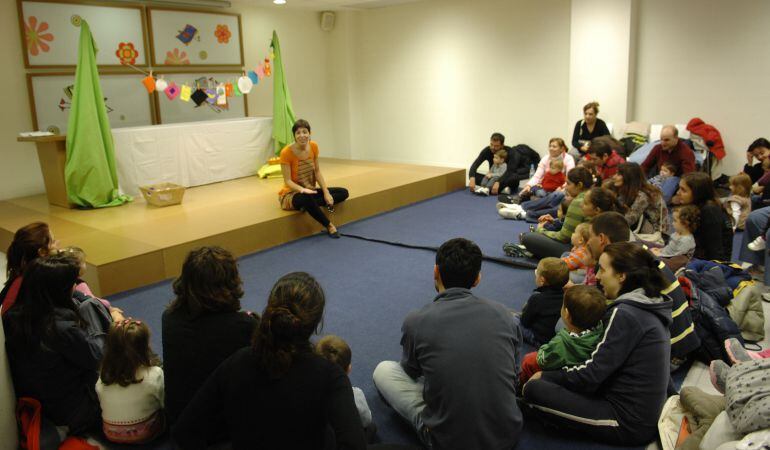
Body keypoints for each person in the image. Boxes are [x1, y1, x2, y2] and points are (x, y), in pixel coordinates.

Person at [172, 272, 367, 449]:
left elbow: (184, 431)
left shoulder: (236, 362)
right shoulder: (330, 375)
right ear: (316, 324)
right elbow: (355, 445)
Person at [373, 238, 523, 449]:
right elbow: (514, 378)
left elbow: (411, 371)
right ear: (477, 279)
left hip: (448, 441)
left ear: (436, 272)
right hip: (509, 434)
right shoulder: (505, 315)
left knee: (384, 370)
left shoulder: (416, 320)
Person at [522, 242, 672, 446]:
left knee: (534, 390)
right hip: (641, 410)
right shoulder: (648, 301)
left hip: (627, 422)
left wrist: (547, 376)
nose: (598, 276)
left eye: (602, 269)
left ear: (622, 276)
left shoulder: (627, 314)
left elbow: (591, 375)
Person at [3, 254, 107, 436]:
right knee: (91, 307)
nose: (75, 286)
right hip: (73, 412)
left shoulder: (14, 317)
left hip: (41, 407)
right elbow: (97, 359)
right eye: (73, 283)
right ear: (59, 290)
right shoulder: (60, 328)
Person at [162, 246, 258, 432]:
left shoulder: (169, 317)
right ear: (229, 283)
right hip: (222, 428)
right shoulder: (243, 326)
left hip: (179, 420)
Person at [585, 212, 701, 363]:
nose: (587, 242)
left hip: (667, 355)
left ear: (601, 239)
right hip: (680, 343)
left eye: (589, 236)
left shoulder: (624, 264)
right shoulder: (638, 251)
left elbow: (604, 314)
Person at [519, 285, 606, 386]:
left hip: (553, 369)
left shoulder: (561, 343)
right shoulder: (600, 329)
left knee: (528, 360)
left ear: (567, 314)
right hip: (573, 368)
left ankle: (520, 387)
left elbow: (542, 360)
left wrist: (543, 350)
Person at [96, 319, 165, 444]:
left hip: (111, 435)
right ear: (145, 347)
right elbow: (163, 403)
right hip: (146, 435)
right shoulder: (154, 374)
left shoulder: (103, 377)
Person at [279, 119, 349, 238]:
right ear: (294, 136)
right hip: (292, 194)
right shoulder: (286, 152)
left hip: (310, 190)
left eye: (305, 132)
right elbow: (288, 181)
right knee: (306, 197)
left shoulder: (314, 146)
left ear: (310, 133)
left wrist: (326, 193)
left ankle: (308, 205)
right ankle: (329, 225)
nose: (302, 135)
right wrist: (302, 190)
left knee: (343, 192)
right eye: (298, 133)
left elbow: (317, 171)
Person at [519, 167, 593, 258]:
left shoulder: (578, 202)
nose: (565, 187)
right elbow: (573, 227)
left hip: (577, 249)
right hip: (585, 245)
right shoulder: (591, 196)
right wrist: (554, 221)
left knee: (527, 238)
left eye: (568, 184)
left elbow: (564, 237)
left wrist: (541, 230)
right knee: (549, 227)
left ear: (579, 185)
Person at [316, 335, 375, 440]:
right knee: (371, 427)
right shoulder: (355, 395)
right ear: (348, 369)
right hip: (339, 441)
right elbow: (366, 420)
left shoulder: (303, 389)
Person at [1, 222, 58, 316]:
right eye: (53, 242)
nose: (57, 245)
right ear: (42, 252)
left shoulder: (21, 274)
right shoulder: (37, 283)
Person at [676, 172, 734, 261]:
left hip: (709, 263)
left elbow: (715, 249)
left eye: (683, 190)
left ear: (697, 192)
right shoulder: (696, 206)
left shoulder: (710, 211)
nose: (678, 193)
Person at [518, 257, 569, 347]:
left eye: (537, 273)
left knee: (512, 319)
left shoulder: (537, 299)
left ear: (542, 280)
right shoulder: (565, 296)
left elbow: (524, 322)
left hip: (537, 338)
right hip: (551, 337)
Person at [609, 162, 669, 236]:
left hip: (656, 233)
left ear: (629, 177)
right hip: (645, 227)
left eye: (618, 174)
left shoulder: (643, 195)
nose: (614, 177)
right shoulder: (631, 190)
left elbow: (628, 220)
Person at [641, 125, 696, 202]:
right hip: (660, 179)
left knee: (672, 180)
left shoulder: (686, 153)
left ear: (676, 138)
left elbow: (689, 177)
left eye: (666, 140)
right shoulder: (658, 148)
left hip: (676, 184)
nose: (663, 143)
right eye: (661, 140)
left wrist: (679, 194)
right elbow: (645, 166)